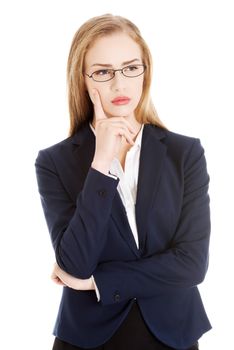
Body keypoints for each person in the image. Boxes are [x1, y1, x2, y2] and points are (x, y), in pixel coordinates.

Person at [35, 13, 211, 350]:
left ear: (146, 70)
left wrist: (98, 282)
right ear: (82, 79)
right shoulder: (55, 162)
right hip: (88, 339)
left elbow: (191, 264)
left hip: (173, 335)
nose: (120, 84)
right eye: (103, 72)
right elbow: (74, 263)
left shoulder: (184, 153)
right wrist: (100, 165)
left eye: (131, 67)